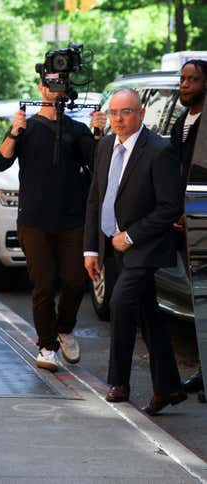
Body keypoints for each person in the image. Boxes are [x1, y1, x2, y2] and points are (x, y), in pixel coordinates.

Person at [0, 73, 106, 372]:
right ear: (41, 88)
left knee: (73, 281)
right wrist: (15, 131)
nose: (56, 90)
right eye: (50, 84)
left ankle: (65, 329)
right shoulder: (27, 128)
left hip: (72, 219)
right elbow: (1, 161)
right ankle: (46, 345)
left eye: (61, 85)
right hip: (34, 219)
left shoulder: (77, 129)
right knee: (42, 285)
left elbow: (97, 166)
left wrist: (98, 134)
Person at [84, 88, 186, 415]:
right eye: (113, 112)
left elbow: (170, 207)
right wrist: (90, 248)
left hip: (146, 246)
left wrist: (131, 236)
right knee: (148, 315)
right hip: (112, 245)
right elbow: (95, 198)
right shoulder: (103, 146)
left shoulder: (160, 150)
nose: (118, 118)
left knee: (120, 303)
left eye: (126, 112)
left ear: (141, 114)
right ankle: (169, 388)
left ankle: (119, 383)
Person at [169, 60, 207, 396]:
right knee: (197, 300)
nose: (185, 84)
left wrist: (190, 211)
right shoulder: (181, 121)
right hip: (184, 225)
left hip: (201, 222)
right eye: (182, 79)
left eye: (193, 79)